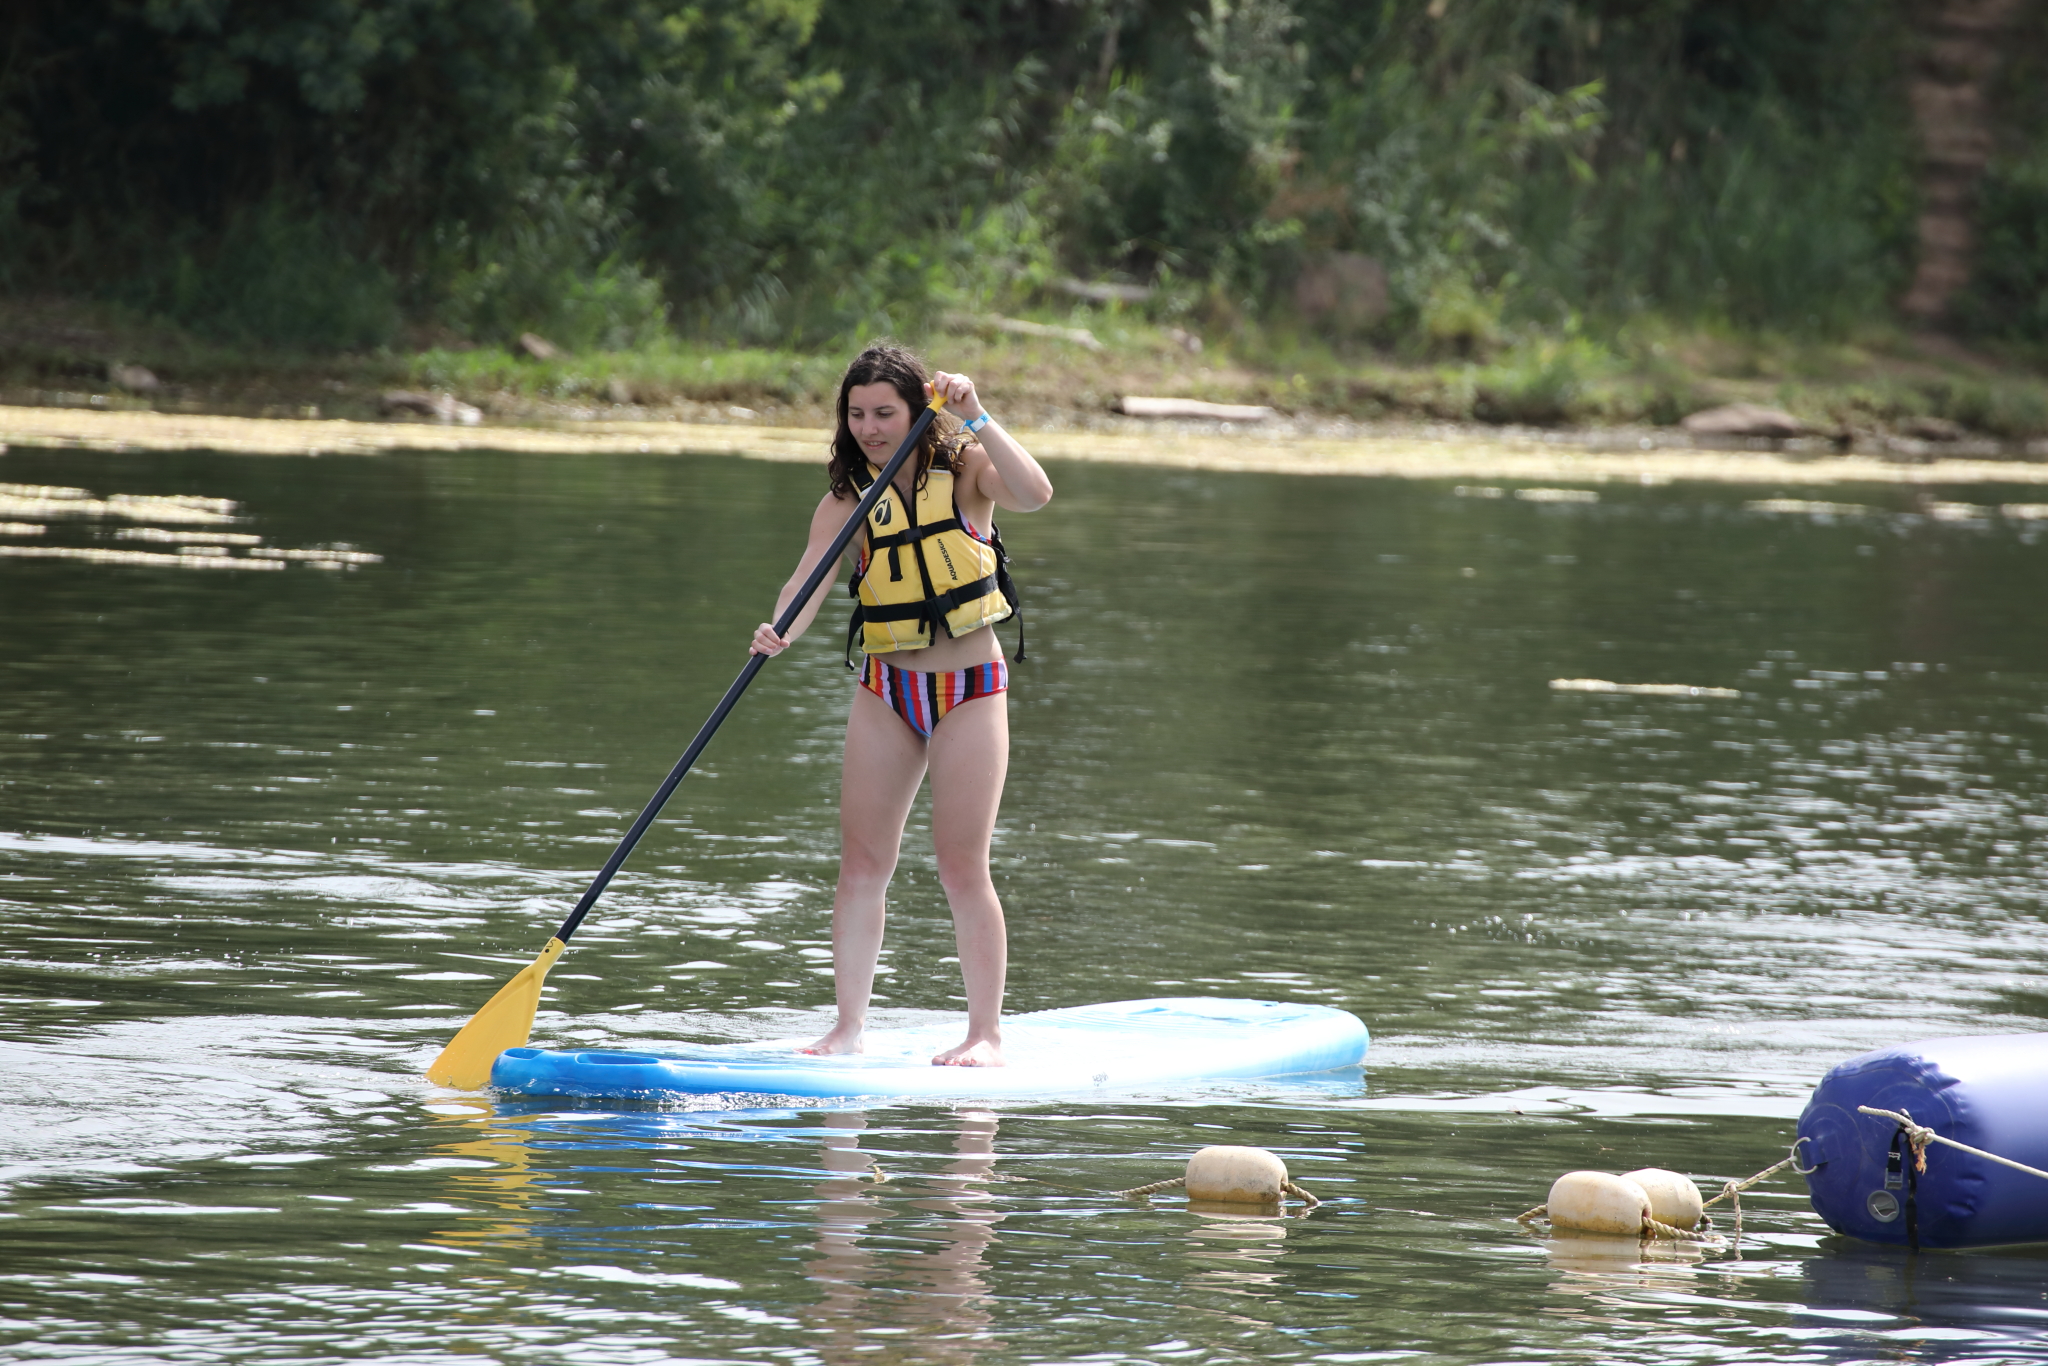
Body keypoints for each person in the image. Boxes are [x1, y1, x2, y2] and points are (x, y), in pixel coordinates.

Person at [750, 343, 1054, 1066]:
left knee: (960, 866)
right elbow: (807, 581)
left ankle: (984, 1034)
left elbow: (1036, 493)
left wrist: (978, 416)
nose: (869, 427)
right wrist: (778, 627)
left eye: (885, 412)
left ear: (920, 410)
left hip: (969, 689)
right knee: (861, 863)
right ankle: (846, 1028)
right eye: (856, 414)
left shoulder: (968, 471)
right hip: (886, 688)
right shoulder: (847, 499)